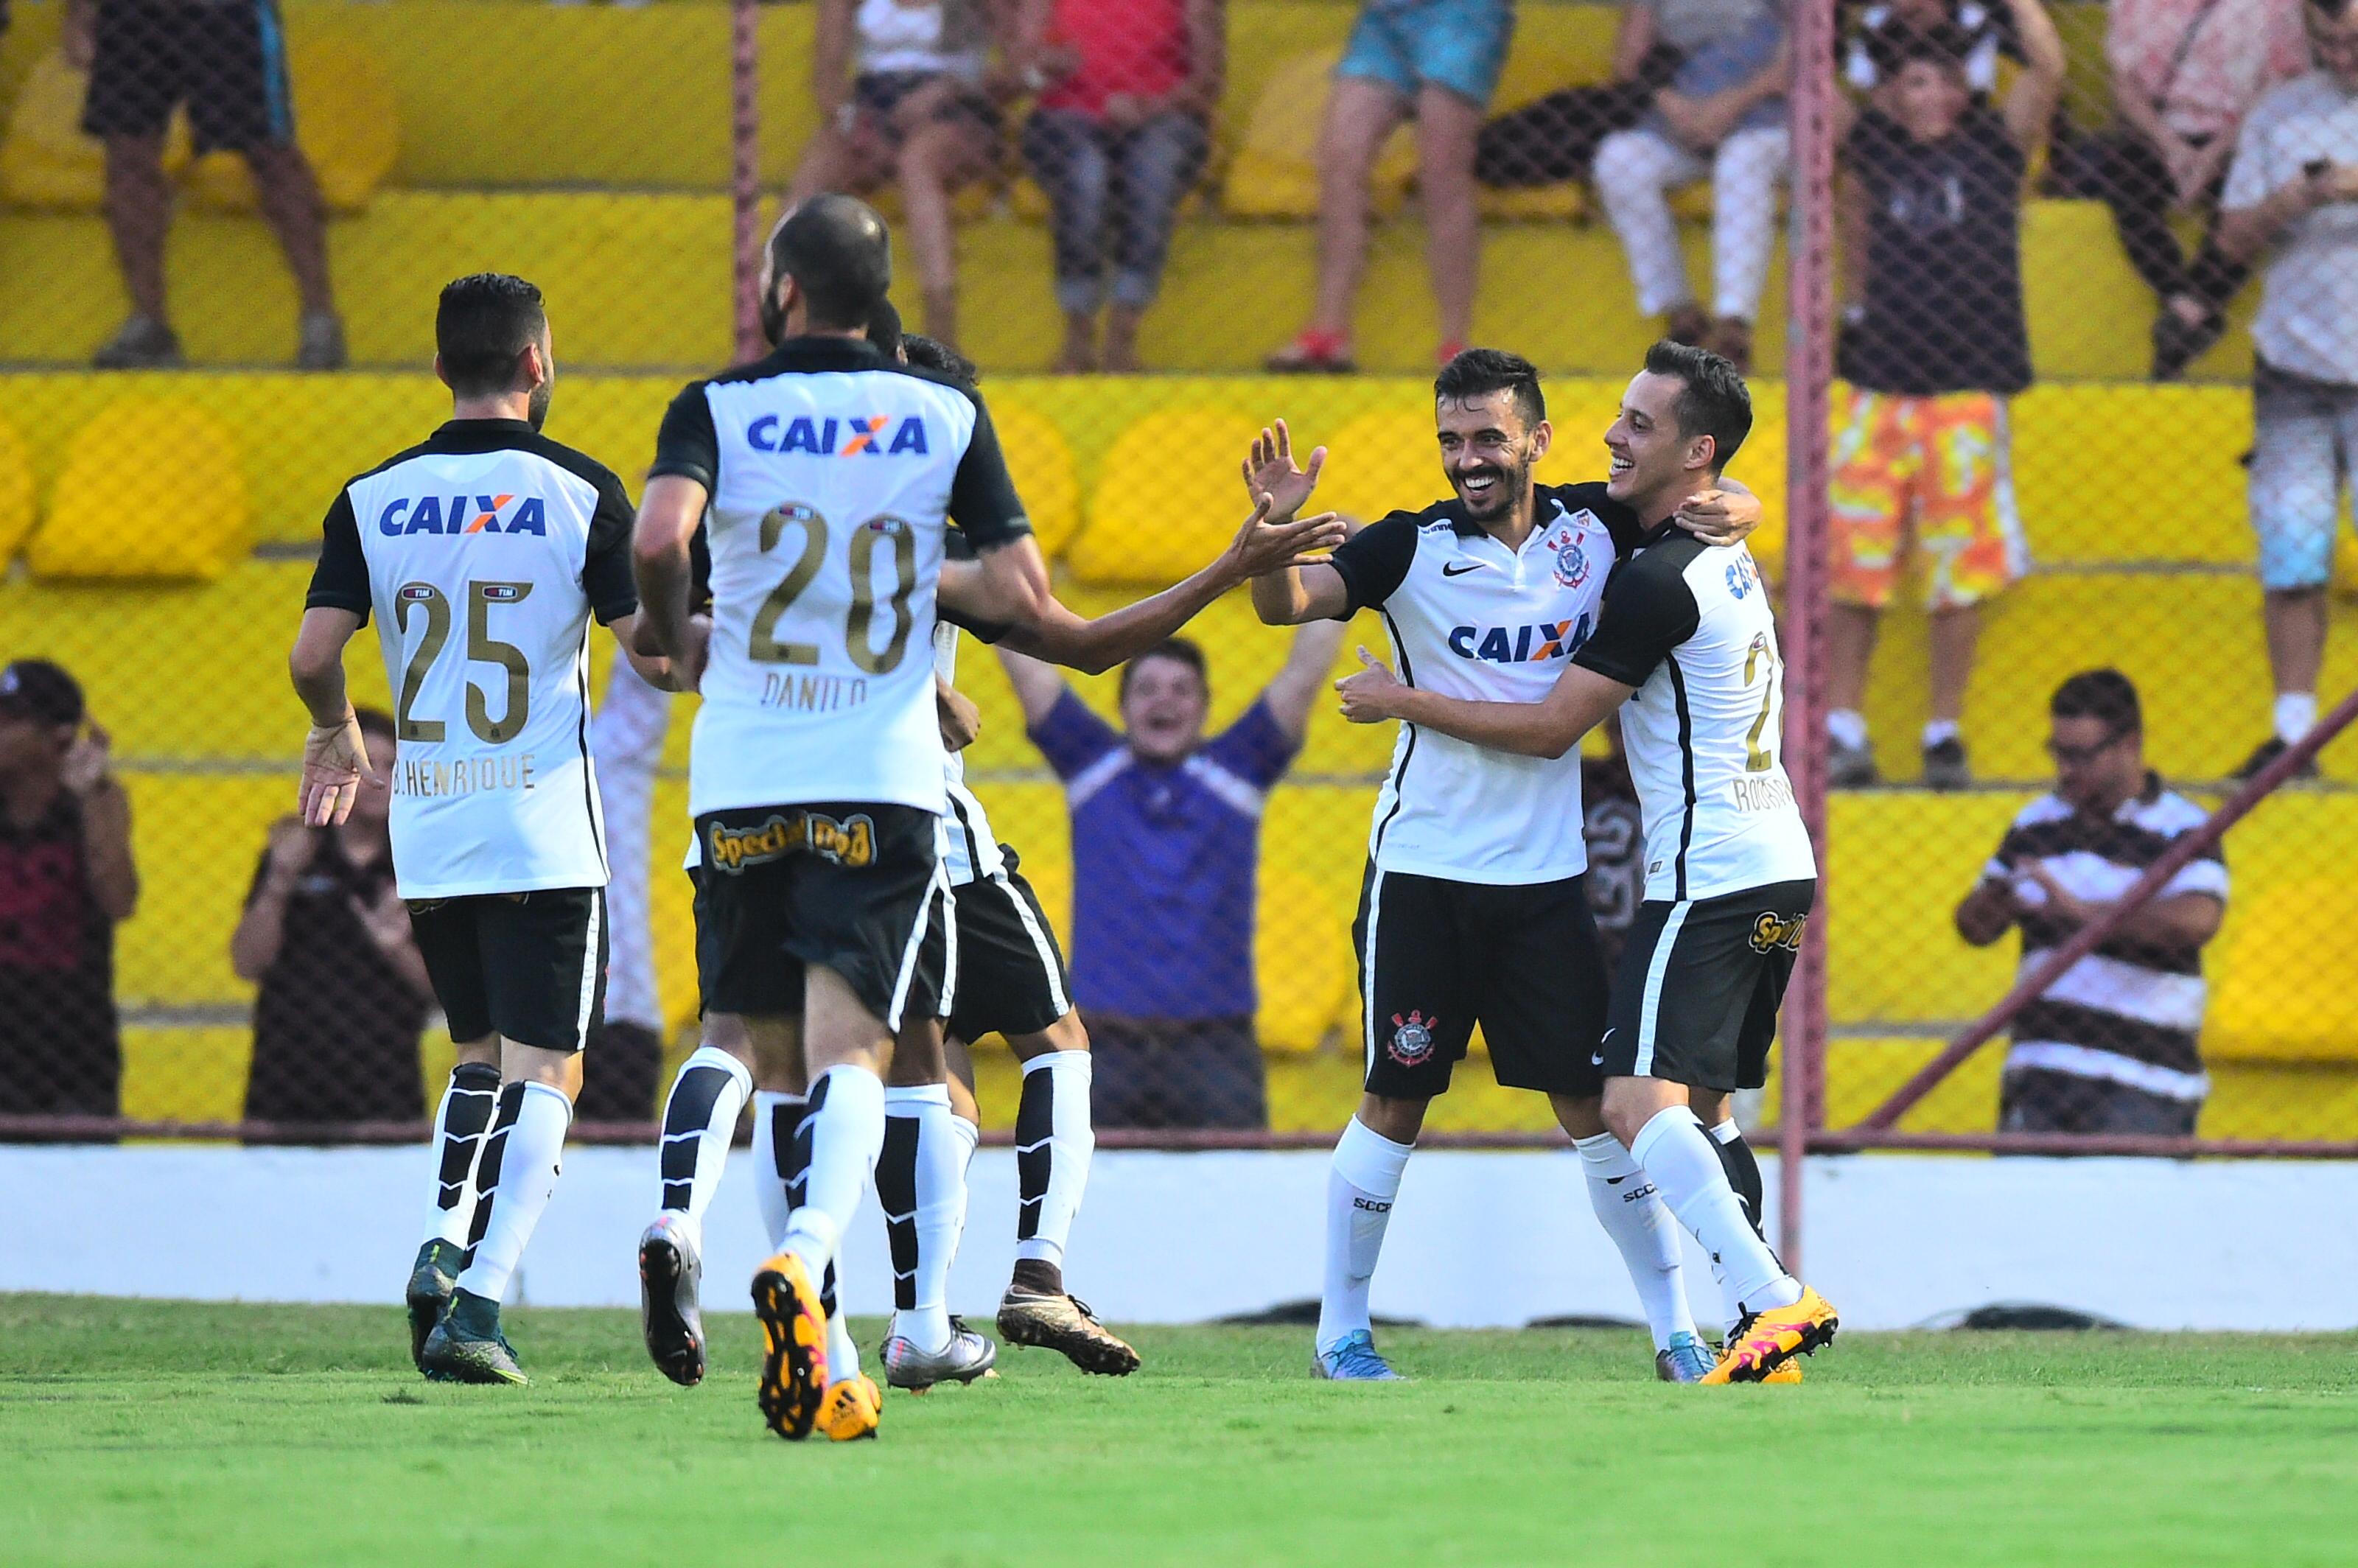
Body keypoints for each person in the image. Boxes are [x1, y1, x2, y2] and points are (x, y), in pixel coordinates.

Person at [1245, 347, 1771, 1385]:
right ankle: (1340, 1335)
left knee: (1595, 1118)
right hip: (1424, 875)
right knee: (1394, 1103)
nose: (1468, 459)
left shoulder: (1596, 527)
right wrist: (1269, 539)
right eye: (1450, 440)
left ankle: (1674, 1333)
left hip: (1544, 884)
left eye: (1488, 437)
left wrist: (1743, 502)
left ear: (1537, 439)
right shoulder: (1408, 546)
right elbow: (1285, 603)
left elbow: (1704, 493)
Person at [630, 195, 1050, 1442]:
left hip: (743, 770)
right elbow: (1020, 588)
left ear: (783, 289)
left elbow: (660, 538)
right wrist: (909, 569)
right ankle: (808, 1254)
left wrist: (676, 635)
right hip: (876, 773)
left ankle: (793, 1322)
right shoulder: (941, 412)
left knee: (760, 1053)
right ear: (878, 295)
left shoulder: (717, 405)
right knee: (854, 1050)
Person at [288, 273, 674, 1385]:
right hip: (541, 822)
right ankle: (481, 1300)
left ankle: (440, 1242)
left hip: (432, 822)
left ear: (441, 367)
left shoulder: (373, 496)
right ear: (537, 363)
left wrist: (334, 728)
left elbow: (314, 656)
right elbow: (652, 655)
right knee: (550, 1068)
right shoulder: (580, 491)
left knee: (476, 1054)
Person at [1822, 0, 2065, 791]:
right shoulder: (1873, 145)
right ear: (1889, 91)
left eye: (1946, 81)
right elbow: (1816, 86)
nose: (1932, 97)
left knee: (1960, 572)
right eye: (1915, 83)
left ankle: (1943, 731)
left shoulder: (1994, 145)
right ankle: (1842, 725)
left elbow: (2050, 69)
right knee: (1855, 566)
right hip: (1877, 389)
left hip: (1965, 393)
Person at [1000, 622, 1346, 1130]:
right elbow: (1026, 664)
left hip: (1215, 1047)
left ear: (1205, 708)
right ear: (1122, 707)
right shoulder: (1091, 764)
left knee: (1237, 1178)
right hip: (1103, 1044)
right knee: (1078, 1179)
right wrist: (981, 584)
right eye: (1147, 689)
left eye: (1181, 690)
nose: (1164, 701)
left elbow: (1305, 672)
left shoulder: (1239, 768)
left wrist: (1349, 581)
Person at [1953, 671, 2226, 1137]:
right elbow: (1974, 928)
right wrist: (2000, 901)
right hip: (2041, 1068)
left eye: (2081, 755)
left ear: (2129, 744)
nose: (2065, 769)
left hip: (2144, 1078)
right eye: (2057, 753)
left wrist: (2081, 913)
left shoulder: (2182, 826)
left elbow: (2195, 921)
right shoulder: (2036, 821)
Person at [2215, 0, 2358, 780]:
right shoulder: (2281, 113)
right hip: (2295, 369)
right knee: (2293, 556)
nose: (2342, 56)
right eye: (2328, 42)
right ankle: (2293, 734)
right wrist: (2295, 199)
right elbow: (2230, 238)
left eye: (2355, 40)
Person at [64, 0, 344, 370]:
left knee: (269, 151)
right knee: (128, 155)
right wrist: (80, 13)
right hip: (132, 15)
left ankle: (319, 318)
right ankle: (149, 323)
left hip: (223, 11)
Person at [1264, 0, 1514, 373]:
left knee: (1442, 168)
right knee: (1342, 153)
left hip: (1461, 14)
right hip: (1385, 16)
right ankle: (1327, 335)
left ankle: (1456, 345)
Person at [231, 708, 433, 1134]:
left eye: (392, 767)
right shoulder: (297, 851)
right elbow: (247, 964)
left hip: (384, 1084)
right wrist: (279, 882)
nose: (380, 780)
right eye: (366, 765)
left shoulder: (419, 863)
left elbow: (445, 994)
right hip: (286, 1082)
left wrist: (397, 947)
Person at [2096, 0, 2307, 378]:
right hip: (2160, 132)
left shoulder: (2275, 7)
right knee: (2120, 173)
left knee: (2252, 194)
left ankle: (2188, 310)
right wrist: (2172, 148)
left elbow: (2278, 87)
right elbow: (2123, 86)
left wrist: (2213, 154)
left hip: (2242, 134)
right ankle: (2188, 303)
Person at [791, 0, 1013, 347]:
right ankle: (774, 323)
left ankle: (940, 329)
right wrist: (851, 123)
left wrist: (947, 90)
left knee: (918, 161)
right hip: (876, 105)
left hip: (954, 105)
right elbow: (827, 75)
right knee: (817, 167)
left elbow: (1016, 64)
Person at [1015, 0, 1222, 372]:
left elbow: (1209, 80)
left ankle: (1122, 337)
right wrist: (1043, 69)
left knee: (1153, 170)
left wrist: (1150, 107)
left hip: (1164, 115)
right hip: (1066, 115)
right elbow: (1020, 72)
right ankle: (1078, 337)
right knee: (1087, 174)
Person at [1593, 0, 1793, 370]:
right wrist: (1674, 107)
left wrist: (1730, 105)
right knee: (1618, 160)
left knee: (1741, 158)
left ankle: (1734, 326)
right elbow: (1627, 64)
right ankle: (1681, 315)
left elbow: (1798, 57)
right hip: (1681, 123)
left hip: (1764, 119)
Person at [0, 660, 136, 1124]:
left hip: (73, 1044)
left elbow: (119, 901)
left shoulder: (99, 801)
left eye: (10, 720)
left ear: (57, 736)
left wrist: (90, 797)